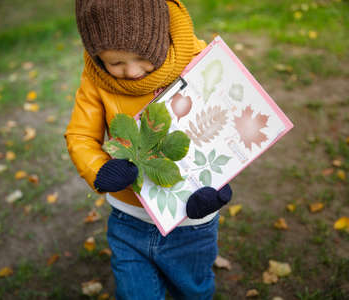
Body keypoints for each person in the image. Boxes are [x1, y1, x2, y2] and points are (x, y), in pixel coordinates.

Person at [65, 0, 232, 299]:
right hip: (128, 219)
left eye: (142, 57)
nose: (130, 71)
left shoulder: (200, 60)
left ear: (160, 37)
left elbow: (227, 125)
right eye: (114, 63)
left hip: (191, 218)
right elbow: (80, 135)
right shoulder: (95, 78)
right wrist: (100, 169)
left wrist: (218, 185)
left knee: (193, 291)